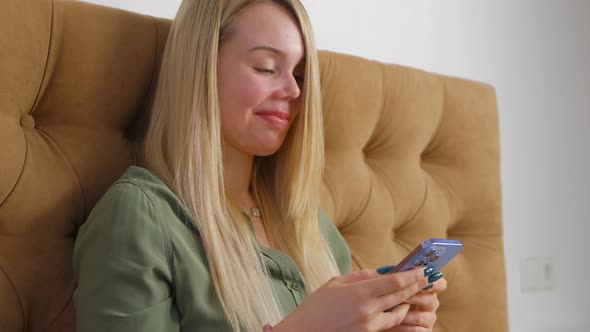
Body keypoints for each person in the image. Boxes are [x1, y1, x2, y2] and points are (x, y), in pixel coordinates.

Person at [72, 0, 447, 331]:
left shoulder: (313, 228)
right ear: (200, 67)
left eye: (299, 75)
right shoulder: (140, 218)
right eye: (267, 68)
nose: (295, 92)